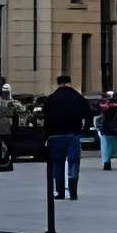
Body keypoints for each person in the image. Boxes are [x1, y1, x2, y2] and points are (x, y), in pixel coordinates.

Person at [42, 72, 91, 200]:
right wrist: (84, 130)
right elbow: (88, 114)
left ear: (58, 84)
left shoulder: (50, 99)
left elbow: (45, 119)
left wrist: (45, 137)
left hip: (54, 136)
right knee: (73, 162)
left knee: (57, 164)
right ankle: (73, 190)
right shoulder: (78, 98)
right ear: (69, 83)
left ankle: (60, 191)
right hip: (72, 134)